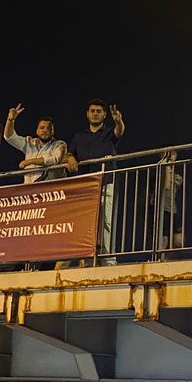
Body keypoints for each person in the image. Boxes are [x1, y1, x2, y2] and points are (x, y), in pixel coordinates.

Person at [66, 99, 125, 262]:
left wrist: (119, 122)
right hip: (86, 186)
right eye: (92, 111)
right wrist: (70, 157)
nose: (95, 113)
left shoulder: (109, 133)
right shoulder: (79, 136)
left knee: (106, 222)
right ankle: (85, 259)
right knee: (84, 223)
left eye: (99, 111)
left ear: (104, 114)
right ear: (87, 114)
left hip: (106, 182)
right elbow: (71, 153)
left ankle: (108, 260)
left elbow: (119, 132)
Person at [4, 105, 68, 184]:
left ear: (53, 131)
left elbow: (53, 160)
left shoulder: (60, 144)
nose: (45, 130)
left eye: (49, 128)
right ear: (36, 131)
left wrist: (29, 162)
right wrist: (10, 121)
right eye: (42, 127)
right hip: (30, 190)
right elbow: (10, 137)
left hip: (52, 191)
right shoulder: (29, 143)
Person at [154, 148, 183, 258]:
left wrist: (177, 181)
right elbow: (166, 186)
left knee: (178, 240)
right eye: (169, 153)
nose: (172, 155)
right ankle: (159, 260)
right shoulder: (161, 168)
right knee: (164, 238)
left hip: (172, 208)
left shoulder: (173, 172)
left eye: (174, 153)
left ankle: (167, 259)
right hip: (162, 208)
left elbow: (174, 189)